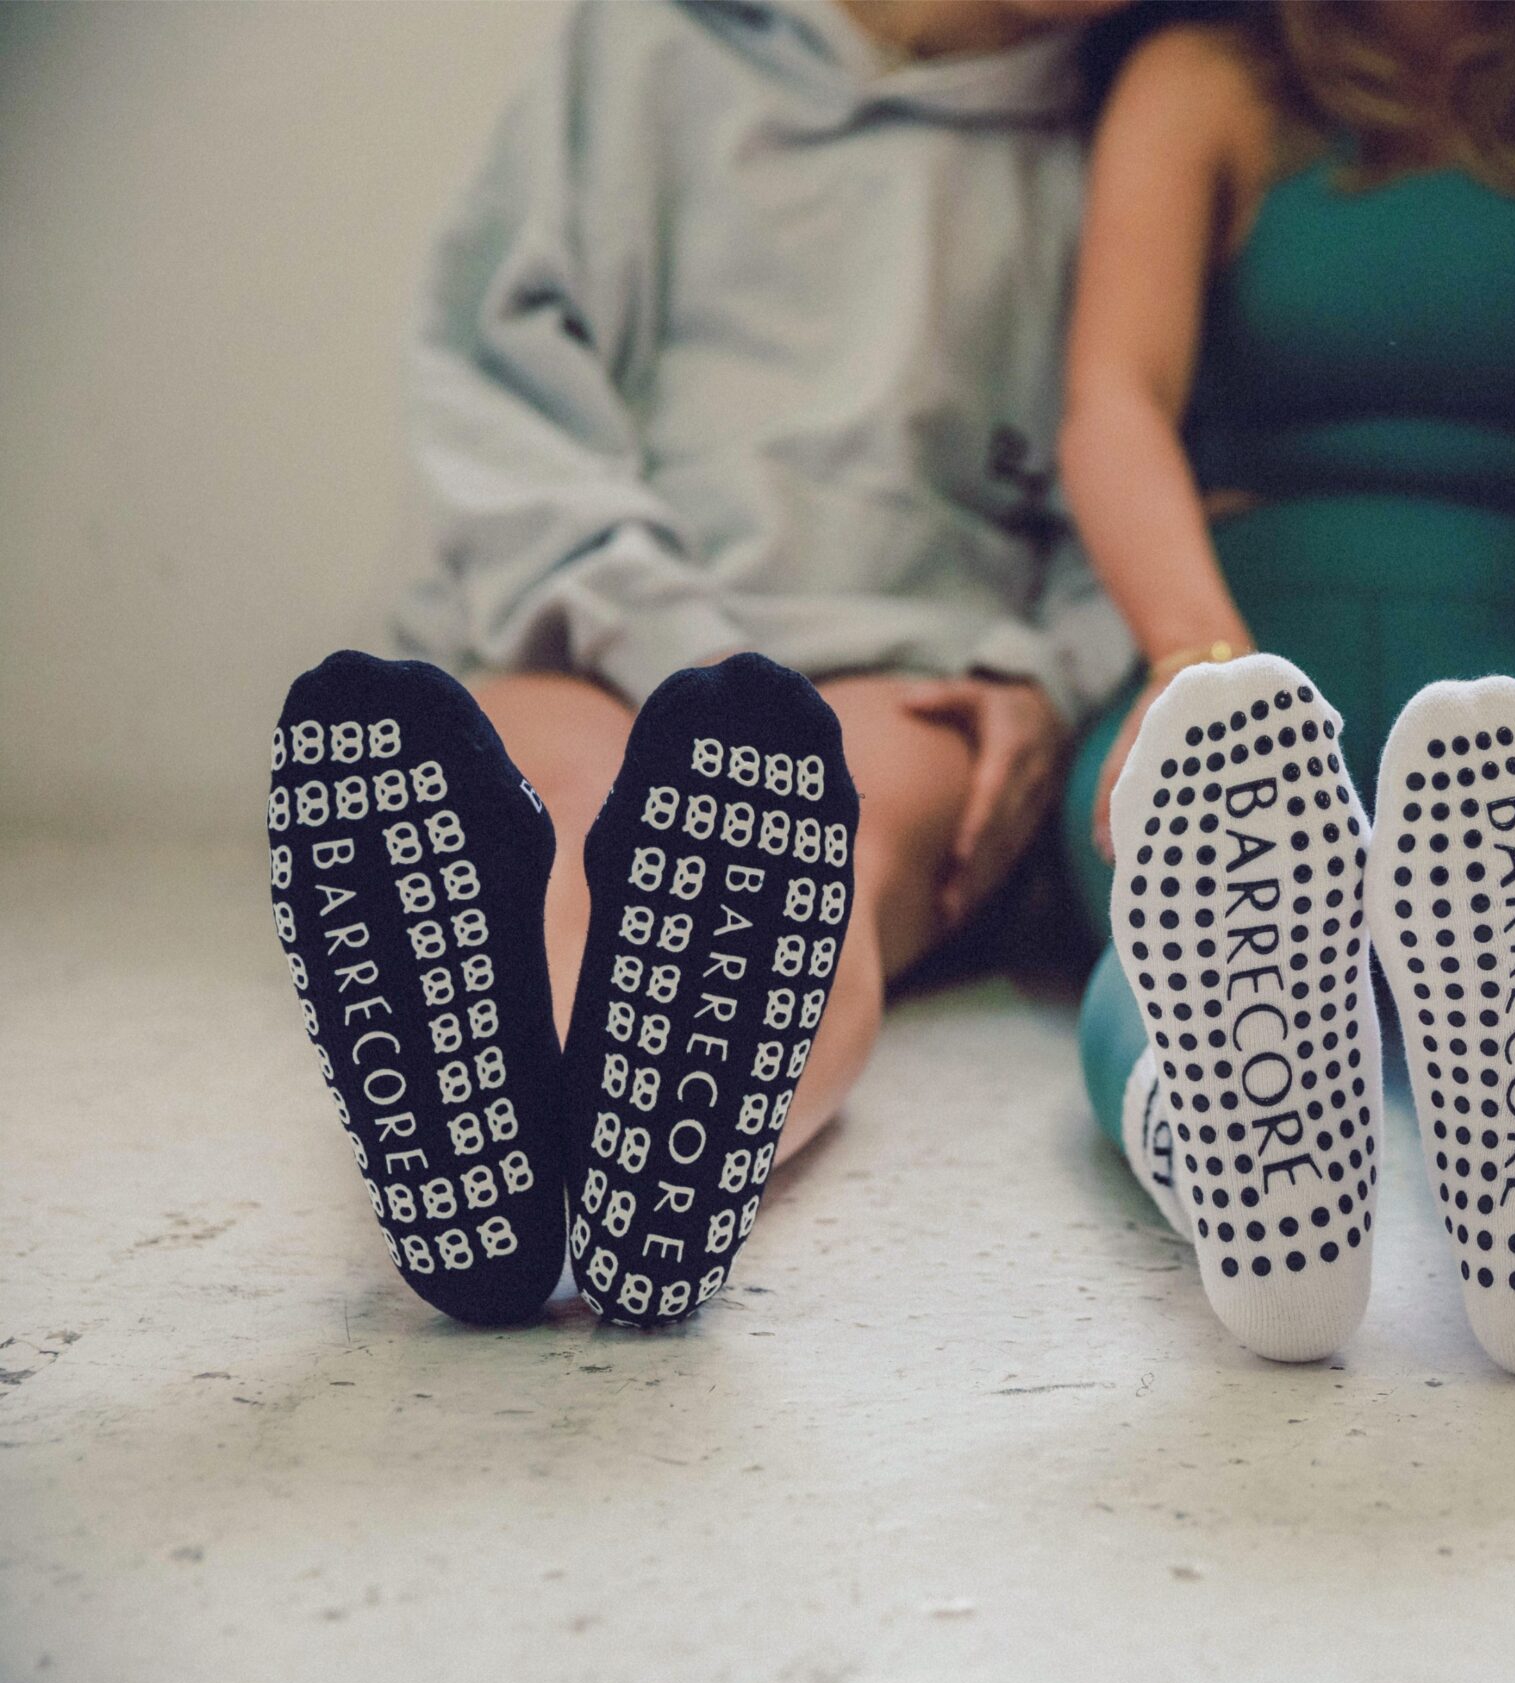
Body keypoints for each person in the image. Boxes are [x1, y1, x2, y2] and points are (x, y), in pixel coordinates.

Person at [266, 0, 1133, 1330]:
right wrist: (676, 639)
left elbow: (1135, 470)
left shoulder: (1121, 135)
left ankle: (647, 1162)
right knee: (541, 816)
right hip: (588, 608)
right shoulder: (647, 49)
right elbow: (500, 380)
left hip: (903, 661)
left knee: (820, 869)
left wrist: (1046, 677)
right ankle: (526, 1155)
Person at [1061, 0, 1515, 1376]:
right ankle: (1243, 1192)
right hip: (1238, 644)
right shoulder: (1201, 82)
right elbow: (1113, 400)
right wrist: (1194, 654)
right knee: (1176, 912)